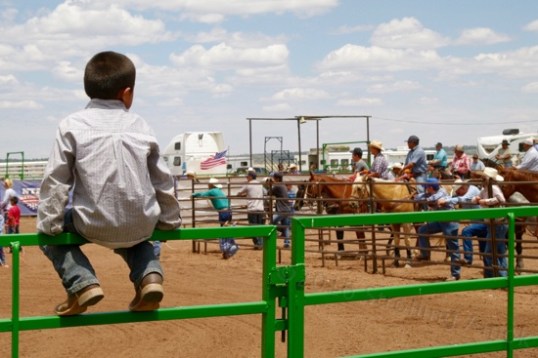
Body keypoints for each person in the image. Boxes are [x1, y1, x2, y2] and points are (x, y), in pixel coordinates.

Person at [37, 51, 182, 316]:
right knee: (138, 241)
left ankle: (82, 284)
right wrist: (169, 221)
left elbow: (57, 180)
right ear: (127, 93)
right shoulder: (141, 125)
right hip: (141, 220)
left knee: (48, 237)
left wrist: (50, 225)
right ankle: (150, 277)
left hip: (92, 222)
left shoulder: (72, 124)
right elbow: (162, 179)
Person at [414, 178, 461, 281]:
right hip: (441, 221)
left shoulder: (441, 192)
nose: (425, 189)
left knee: (453, 247)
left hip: (450, 222)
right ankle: (425, 254)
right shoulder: (434, 192)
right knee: (422, 230)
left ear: (430, 188)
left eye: (427, 188)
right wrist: (418, 197)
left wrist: (421, 198)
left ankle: (455, 274)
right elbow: (420, 197)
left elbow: (431, 199)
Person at [471, 167, 508, 278]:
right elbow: (475, 199)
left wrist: (485, 201)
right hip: (495, 223)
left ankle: (498, 276)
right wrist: (477, 199)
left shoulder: (493, 188)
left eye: (483, 177)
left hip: (497, 223)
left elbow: (501, 199)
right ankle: (503, 276)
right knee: (499, 251)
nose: (481, 179)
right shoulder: (486, 189)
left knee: (489, 252)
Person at [192, 177, 238, 259]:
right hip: (228, 211)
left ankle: (227, 250)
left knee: (223, 230)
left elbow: (202, 194)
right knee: (227, 229)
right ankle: (229, 248)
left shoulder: (212, 191)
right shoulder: (220, 191)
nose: (208, 185)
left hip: (223, 212)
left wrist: (193, 195)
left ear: (211, 185)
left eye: (209, 184)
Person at [438, 179, 481, 265]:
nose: (457, 193)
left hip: (483, 220)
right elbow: (453, 197)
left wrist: (446, 201)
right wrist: (443, 199)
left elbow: (463, 199)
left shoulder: (473, 190)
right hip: (478, 221)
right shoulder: (464, 191)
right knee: (484, 247)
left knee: (466, 232)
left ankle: (468, 259)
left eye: (458, 191)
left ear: (463, 187)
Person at [237, 171, 265, 249]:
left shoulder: (248, 184)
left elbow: (238, 192)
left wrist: (244, 194)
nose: (246, 177)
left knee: (253, 226)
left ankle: (258, 244)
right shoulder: (260, 184)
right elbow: (263, 192)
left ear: (250, 177)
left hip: (252, 208)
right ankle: (261, 243)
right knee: (259, 226)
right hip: (260, 208)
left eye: (247, 176)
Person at [268, 172, 292, 248]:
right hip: (287, 208)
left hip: (282, 209)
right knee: (285, 226)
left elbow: (269, 193)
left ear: (277, 178)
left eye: (274, 178)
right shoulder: (283, 185)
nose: (273, 179)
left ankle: (270, 240)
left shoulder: (277, 185)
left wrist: (270, 185)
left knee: (272, 222)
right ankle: (287, 242)